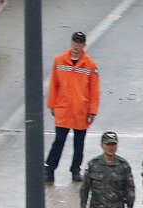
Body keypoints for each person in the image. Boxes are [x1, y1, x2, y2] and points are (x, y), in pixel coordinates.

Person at [45, 31, 100, 184]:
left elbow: (94, 90)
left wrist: (92, 111)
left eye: (79, 43)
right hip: (63, 109)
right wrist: (52, 105)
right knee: (59, 141)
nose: (76, 45)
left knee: (79, 143)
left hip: (80, 110)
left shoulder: (90, 65)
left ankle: (76, 169)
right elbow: (54, 85)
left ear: (84, 45)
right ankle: (49, 169)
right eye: (74, 42)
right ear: (71, 42)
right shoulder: (59, 60)